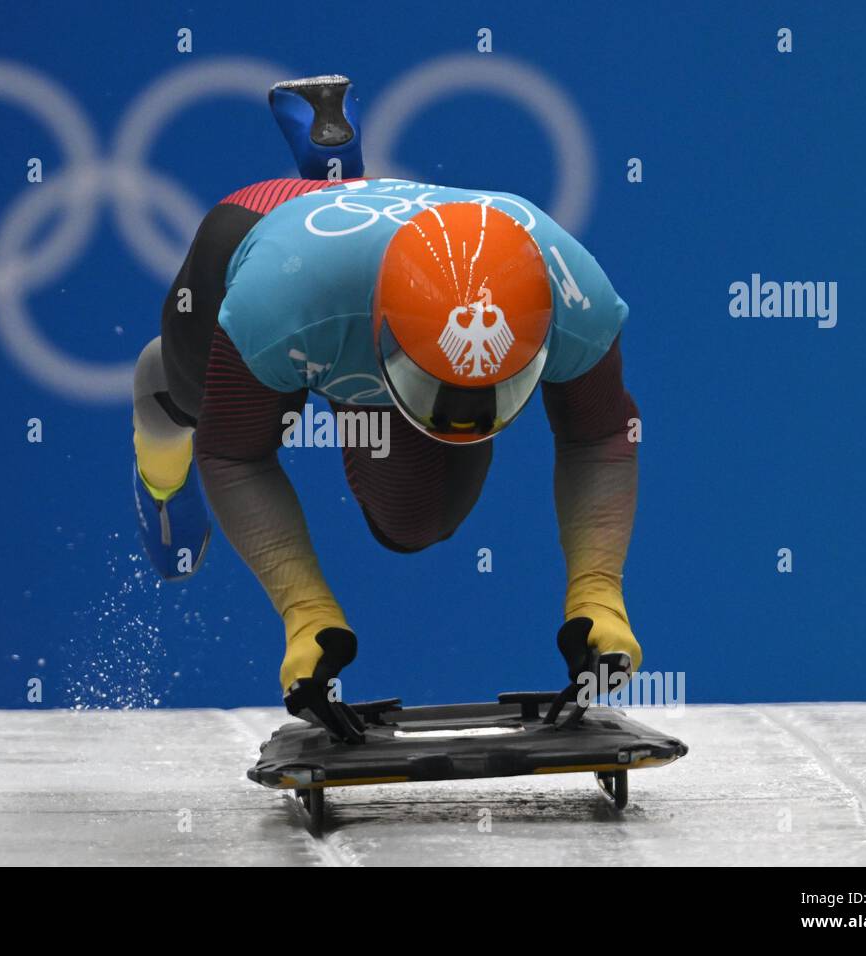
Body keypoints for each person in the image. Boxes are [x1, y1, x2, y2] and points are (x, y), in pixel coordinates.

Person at [132, 83, 640, 743]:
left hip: (358, 306)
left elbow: (601, 435)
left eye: (488, 394)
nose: (462, 417)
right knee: (196, 408)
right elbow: (236, 456)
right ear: (380, 336)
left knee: (413, 522)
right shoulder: (278, 307)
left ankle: (333, 171)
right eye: (441, 391)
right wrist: (305, 615)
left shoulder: (577, 294)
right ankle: (159, 398)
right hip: (263, 244)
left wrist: (598, 596)